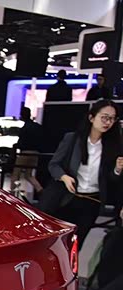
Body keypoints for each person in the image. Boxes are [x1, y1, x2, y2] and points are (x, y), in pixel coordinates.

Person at [48, 99, 123, 249]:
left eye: (112, 118)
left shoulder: (112, 146)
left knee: (77, 245)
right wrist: (64, 177)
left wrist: (117, 170)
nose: (108, 122)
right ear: (91, 117)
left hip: (92, 202)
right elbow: (53, 165)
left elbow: (110, 179)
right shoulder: (72, 139)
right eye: (104, 117)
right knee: (57, 244)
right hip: (67, 199)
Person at [12, 107, 44, 197]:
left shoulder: (24, 128)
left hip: (25, 152)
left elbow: (21, 142)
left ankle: (12, 193)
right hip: (35, 153)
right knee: (28, 175)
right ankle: (40, 189)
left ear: (22, 115)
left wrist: (16, 146)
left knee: (16, 173)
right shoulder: (37, 126)